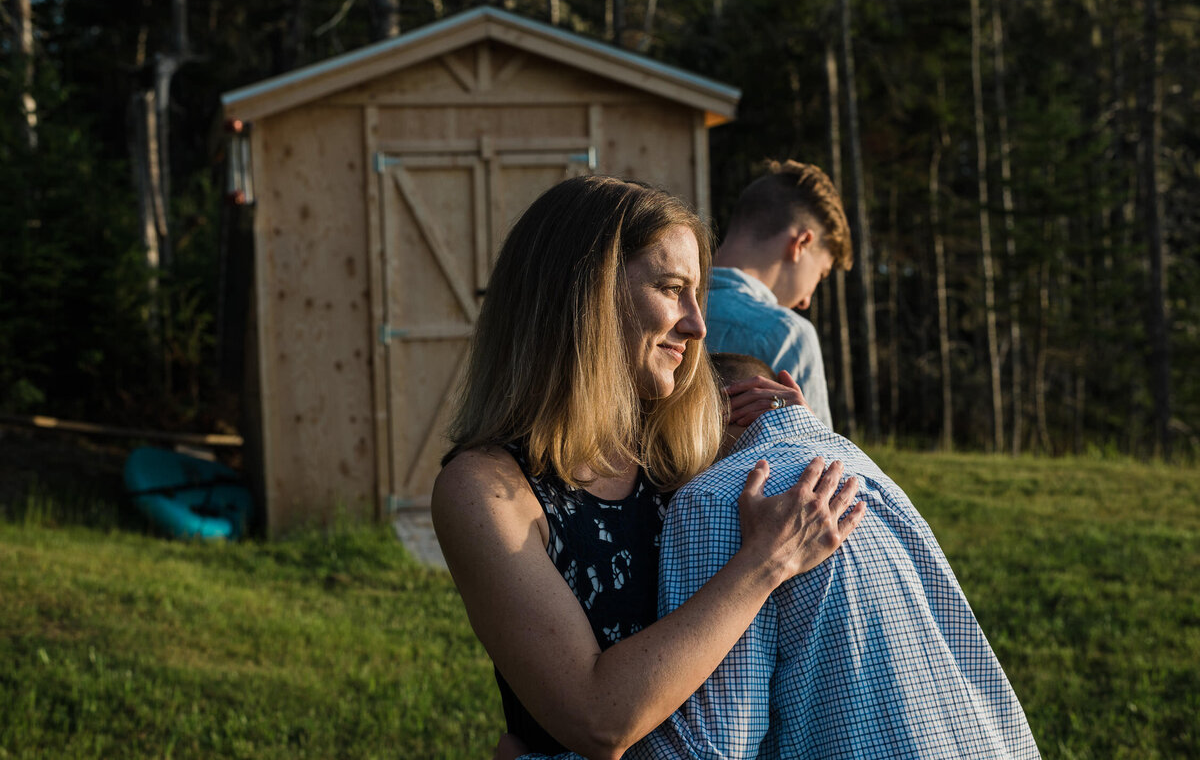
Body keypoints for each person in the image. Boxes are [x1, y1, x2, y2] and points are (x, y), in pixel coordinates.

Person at [431, 176, 866, 759]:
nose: (697, 324)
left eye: (697, 294)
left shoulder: (680, 448)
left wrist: (790, 444)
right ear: (584, 297)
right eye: (671, 289)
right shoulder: (487, 491)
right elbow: (599, 719)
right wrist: (766, 561)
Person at [629, 353, 1041, 759]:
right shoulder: (868, 472)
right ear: (785, 391)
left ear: (703, 408)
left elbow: (713, 745)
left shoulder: (716, 498)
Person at [706, 160, 853, 428]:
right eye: (820, 275)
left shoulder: (655, 304)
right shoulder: (788, 335)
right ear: (801, 244)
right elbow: (822, 460)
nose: (806, 301)